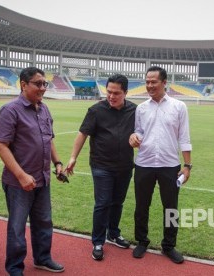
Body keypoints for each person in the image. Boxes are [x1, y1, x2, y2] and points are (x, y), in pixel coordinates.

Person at [0, 67, 65, 275]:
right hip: (19, 182)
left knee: (44, 221)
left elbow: (48, 138)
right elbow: (1, 146)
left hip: (42, 179)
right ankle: (15, 267)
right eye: (38, 83)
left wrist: (57, 162)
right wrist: (21, 175)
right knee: (17, 227)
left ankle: (42, 258)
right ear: (23, 85)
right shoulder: (10, 110)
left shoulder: (44, 109)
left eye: (45, 84)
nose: (43, 88)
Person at [66, 74, 137, 261]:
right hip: (101, 165)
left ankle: (113, 233)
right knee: (103, 203)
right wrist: (73, 157)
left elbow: (143, 132)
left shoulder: (135, 110)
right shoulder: (96, 110)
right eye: (109, 92)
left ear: (126, 93)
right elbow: (82, 134)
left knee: (117, 202)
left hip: (125, 166)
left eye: (117, 93)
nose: (112, 96)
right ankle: (98, 241)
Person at [129, 66, 192, 264]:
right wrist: (134, 137)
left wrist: (187, 166)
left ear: (164, 83)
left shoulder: (179, 106)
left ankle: (169, 245)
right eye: (147, 82)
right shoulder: (141, 108)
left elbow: (184, 137)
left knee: (171, 208)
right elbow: (138, 131)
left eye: (153, 82)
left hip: (169, 165)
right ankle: (142, 241)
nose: (149, 85)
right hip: (144, 164)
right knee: (141, 206)